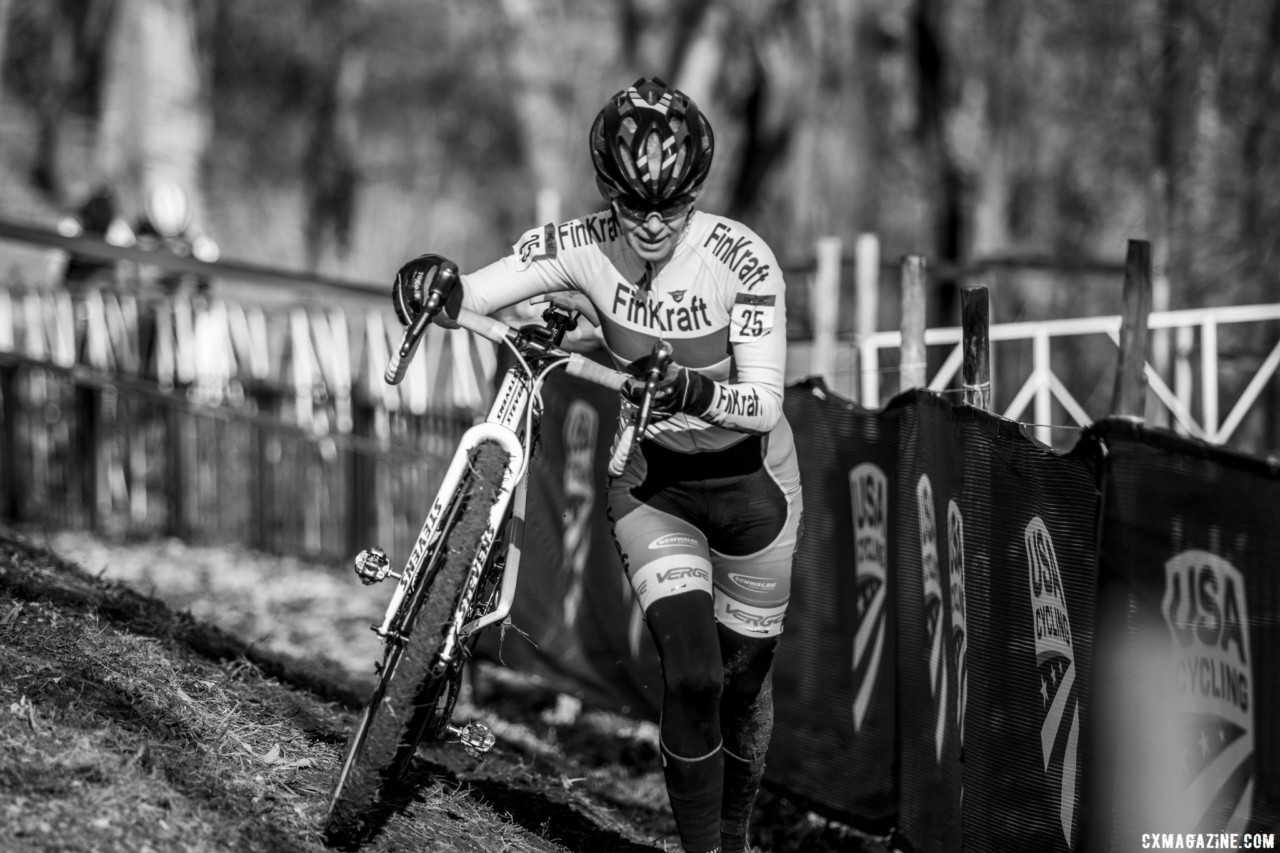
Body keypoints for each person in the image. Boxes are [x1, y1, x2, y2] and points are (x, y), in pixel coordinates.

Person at [391, 77, 802, 853]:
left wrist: (684, 384)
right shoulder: (579, 244)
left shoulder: (742, 258)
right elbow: (475, 290)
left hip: (755, 486)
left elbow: (765, 404)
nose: (650, 224)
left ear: (697, 192)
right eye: (632, 204)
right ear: (606, 190)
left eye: (670, 206)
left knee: (744, 683)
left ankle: (736, 827)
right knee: (694, 676)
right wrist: (432, 283)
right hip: (654, 487)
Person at [56, 181, 136, 292]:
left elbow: (126, 245)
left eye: (104, 204)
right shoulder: (77, 219)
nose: (100, 210)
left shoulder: (117, 227)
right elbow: (66, 234)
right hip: (77, 274)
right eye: (98, 203)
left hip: (102, 273)